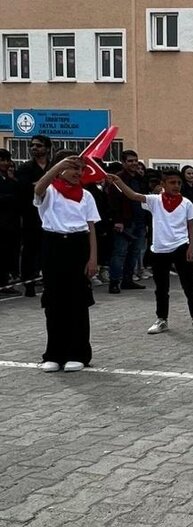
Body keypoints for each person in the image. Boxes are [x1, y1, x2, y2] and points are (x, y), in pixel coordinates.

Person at [110, 169, 193, 335]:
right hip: (160, 248)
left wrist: (191, 247)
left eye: (178, 183)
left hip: (181, 245)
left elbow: (192, 225)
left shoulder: (186, 203)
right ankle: (162, 319)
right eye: (172, 182)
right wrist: (118, 181)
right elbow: (133, 195)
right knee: (161, 288)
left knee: (189, 285)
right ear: (163, 184)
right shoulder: (155, 200)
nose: (176, 186)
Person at [32, 152, 100, 373]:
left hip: (78, 246)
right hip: (53, 245)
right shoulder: (50, 192)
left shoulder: (87, 196)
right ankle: (54, 353)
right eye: (73, 167)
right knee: (54, 302)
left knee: (77, 302)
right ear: (59, 168)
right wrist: (59, 165)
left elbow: (91, 229)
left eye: (81, 169)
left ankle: (78, 352)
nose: (78, 173)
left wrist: (92, 258)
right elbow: (38, 188)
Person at [104, 150, 148, 294]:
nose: (134, 163)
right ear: (123, 163)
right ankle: (114, 282)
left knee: (134, 252)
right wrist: (118, 220)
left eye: (135, 160)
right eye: (130, 161)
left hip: (140, 220)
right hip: (125, 221)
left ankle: (128, 280)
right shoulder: (118, 179)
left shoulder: (141, 178)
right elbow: (113, 202)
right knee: (120, 253)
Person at [15, 135, 52, 297]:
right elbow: (23, 190)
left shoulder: (54, 167)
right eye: (32, 146)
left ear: (47, 148)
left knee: (49, 250)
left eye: (39, 145)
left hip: (51, 215)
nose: (34, 148)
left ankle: (47, 281)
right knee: (30, 250)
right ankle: (28, 284)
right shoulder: (25, 169)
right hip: (31, 216)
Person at [0, 149, 20, 294]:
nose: (5, 163)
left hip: (10, 223)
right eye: (2, 160)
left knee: (8, 254)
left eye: (7, 160)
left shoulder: (10, 179)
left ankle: (5, 281)